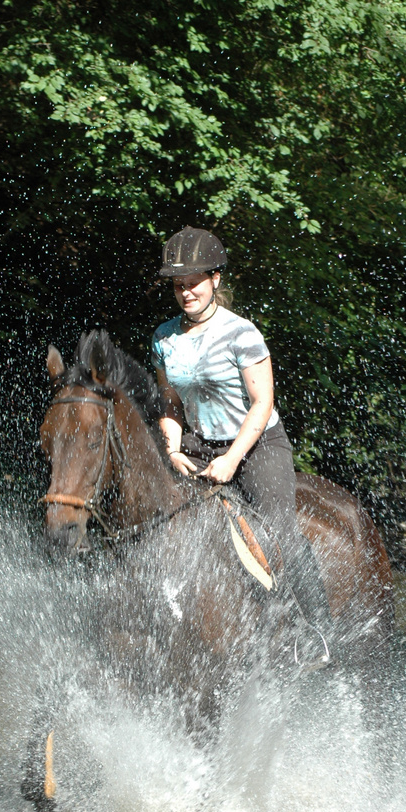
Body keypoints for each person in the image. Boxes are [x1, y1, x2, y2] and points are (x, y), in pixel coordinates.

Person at [151, 225, 331, 651]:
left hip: (255, 445)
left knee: (277, 532)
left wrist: (231, 460)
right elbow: (170, 403)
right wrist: (172, 448)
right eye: (179, 285)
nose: (186, 292)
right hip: (195, 445)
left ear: (215, 279)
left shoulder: (241, 333)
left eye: (194, 283)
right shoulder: (163, 337)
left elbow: (262, 402)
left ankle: (312, 629)